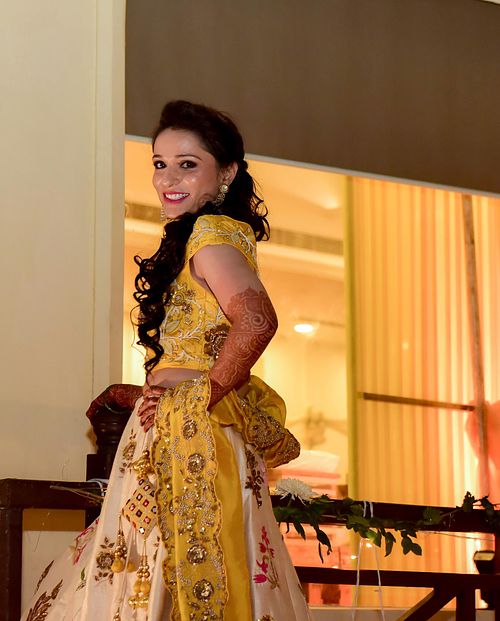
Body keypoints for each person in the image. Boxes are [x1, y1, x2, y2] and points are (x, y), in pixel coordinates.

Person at [22, 101, 312, 621]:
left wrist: (198, 396)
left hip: (193, 432)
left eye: (187, 164)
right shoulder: (210, 236)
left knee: (175, 573)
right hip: (184, 423)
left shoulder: (211, 235)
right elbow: (203, 347)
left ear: (226, 173)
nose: (167, 179)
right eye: (159, 163)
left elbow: (257, 321)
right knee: (156, 573)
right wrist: (144, 393)